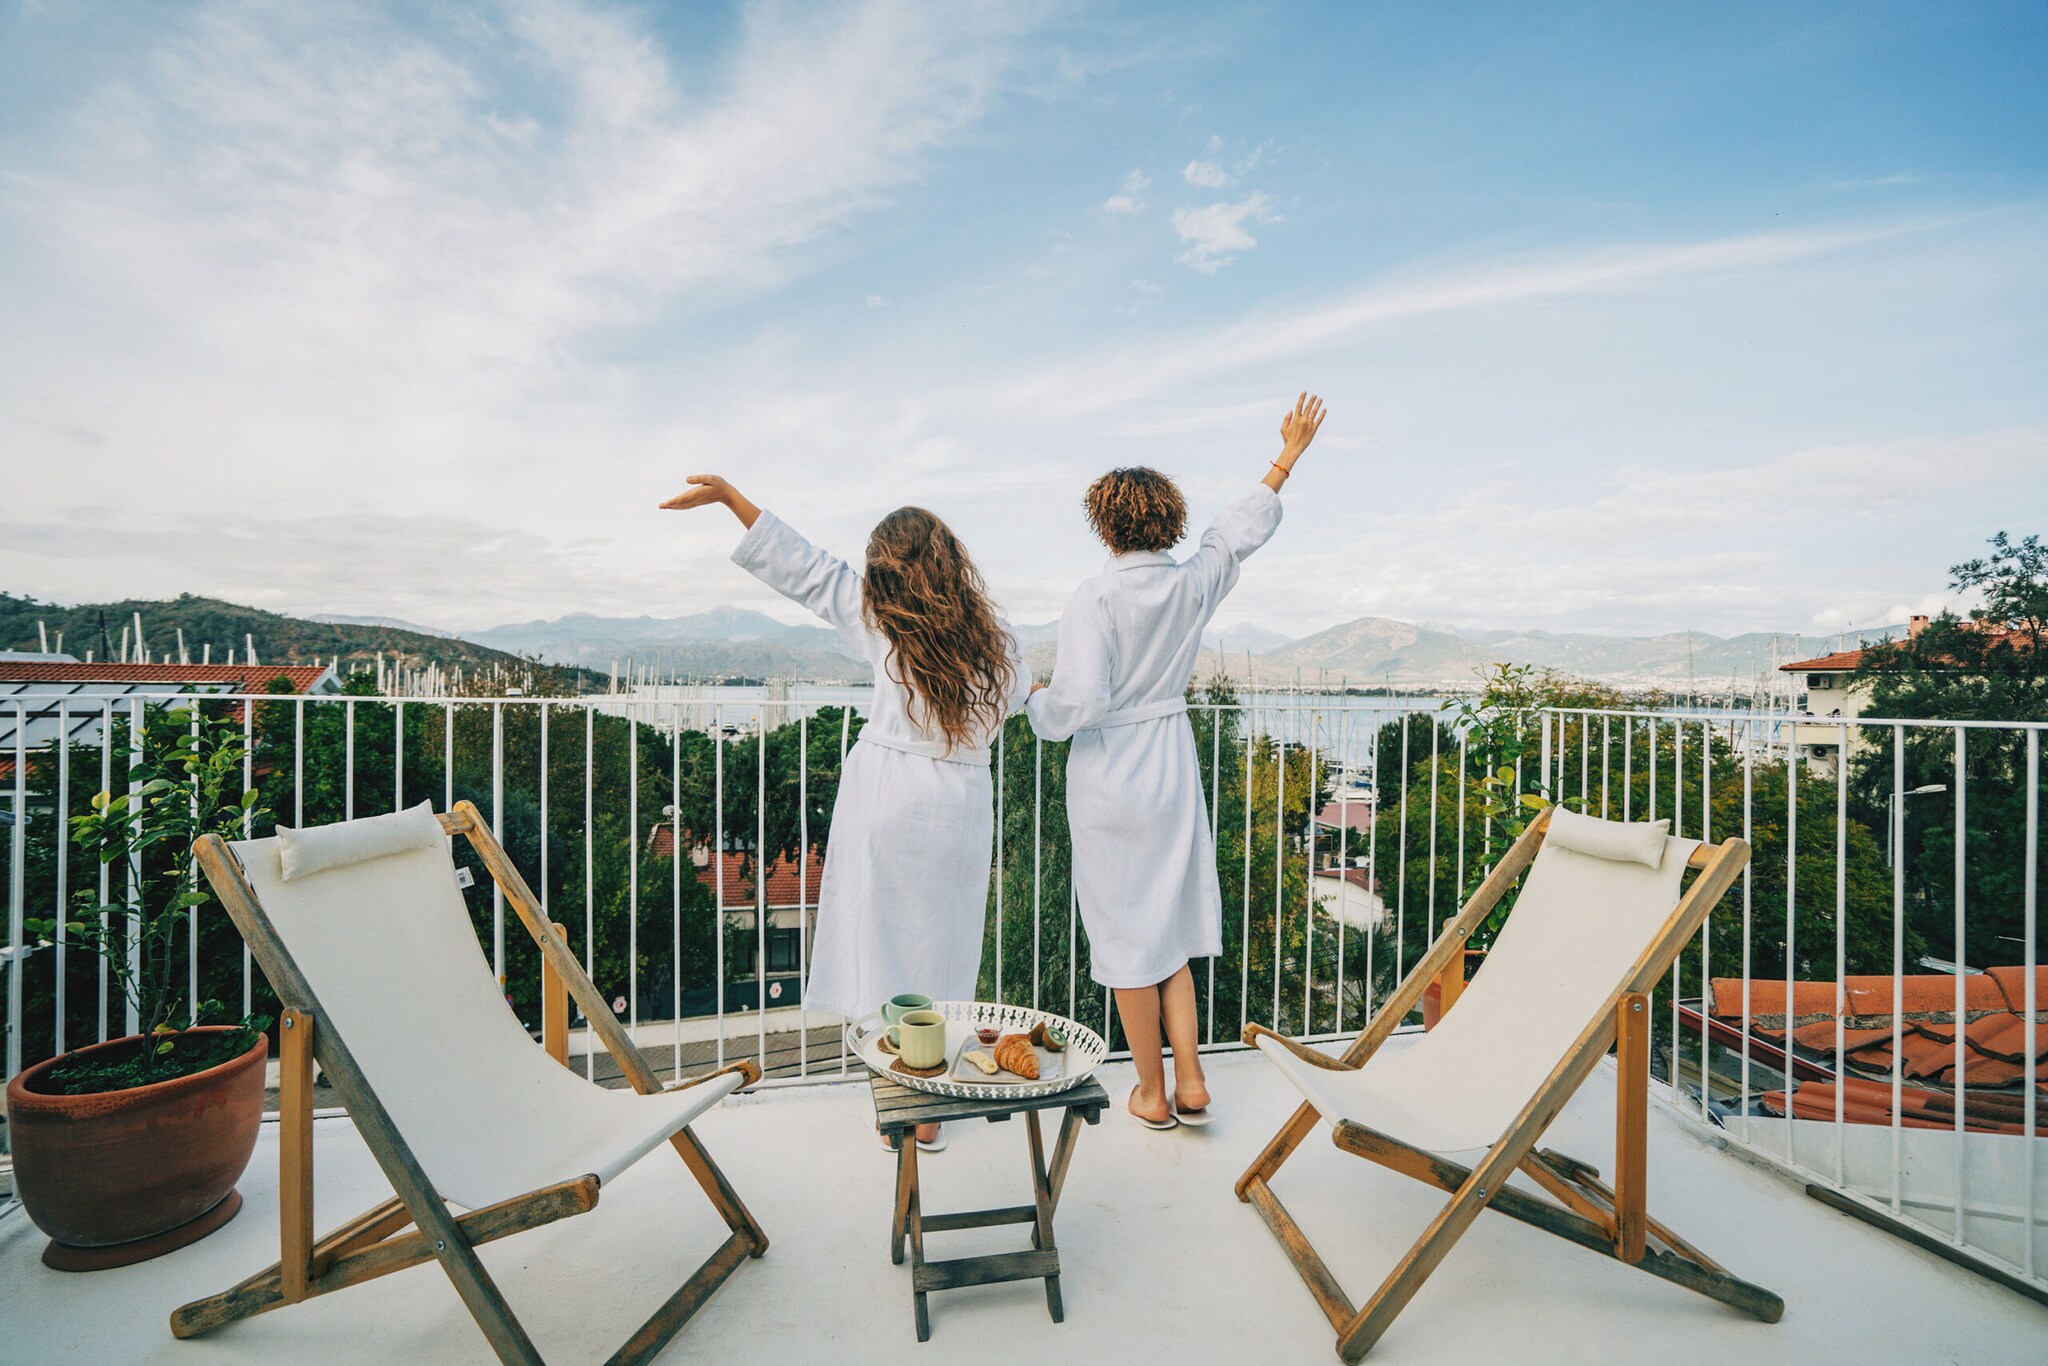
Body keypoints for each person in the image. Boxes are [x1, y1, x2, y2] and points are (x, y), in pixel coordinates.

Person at [663, 475, 1030, 1150]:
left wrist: (730, 501)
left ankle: (897, 1098)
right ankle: (930, 1114)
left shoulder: (879, 620)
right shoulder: (1000, 640)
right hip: (959, 807)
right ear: (951, 558)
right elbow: (1015, 700)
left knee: (881, 948)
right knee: (945, 952)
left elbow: (805, 570)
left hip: (887, 796)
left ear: (887, 570)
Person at [1026, 393, 1327, 1129]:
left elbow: (1080, 702)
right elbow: (1236, 534)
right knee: (1169, 928)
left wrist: (1037, 705)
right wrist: (1286, 456)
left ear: (1105, 523)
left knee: (1128, 937)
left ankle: (1152, 1093)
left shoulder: (1092, 597)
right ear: (1169, 520)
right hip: (1170, 765)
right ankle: (1192, 1082)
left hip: (1110, 777)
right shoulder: (1192, 584)